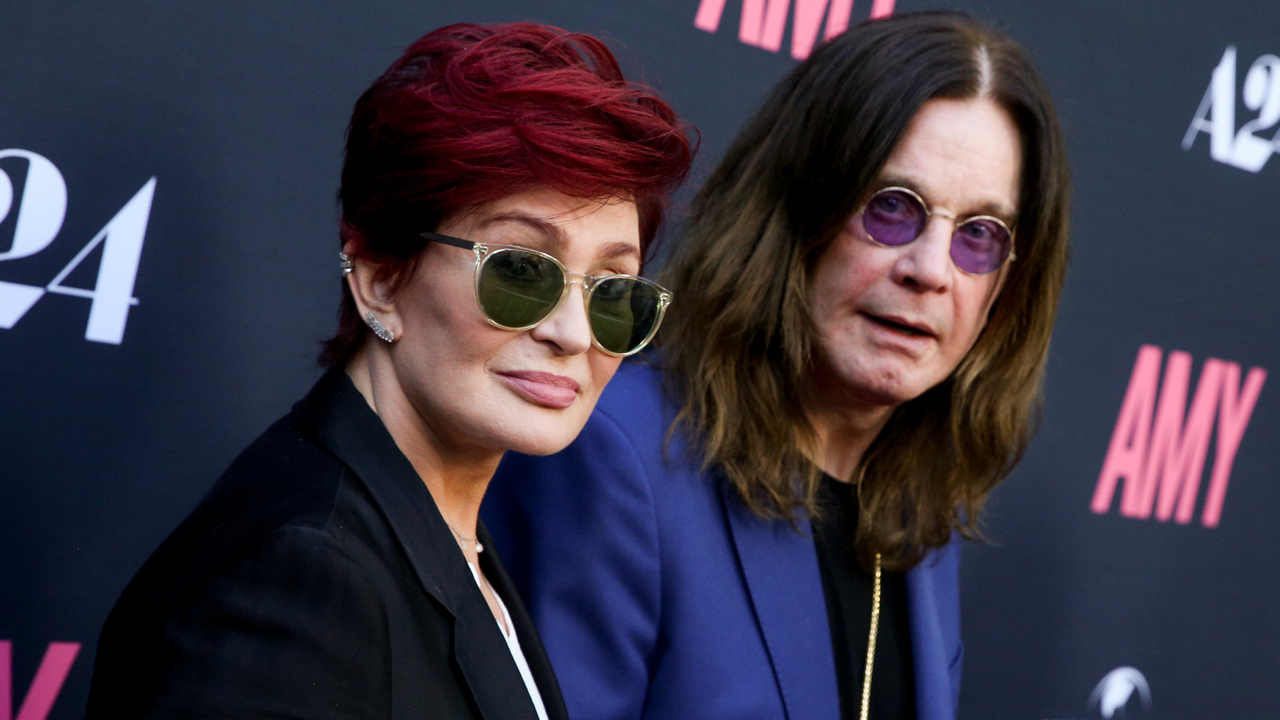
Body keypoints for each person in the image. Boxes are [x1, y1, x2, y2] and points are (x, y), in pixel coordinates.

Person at [85, 22, 692, 720]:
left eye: (615, 291)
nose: (573, 333)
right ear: (379, 278)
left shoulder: (445, 536)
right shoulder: (305, 575)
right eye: (521, 271)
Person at [482, 11, 1069, 720]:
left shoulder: (920, 516)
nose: (930, 270)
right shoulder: (613, 452)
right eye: (892, 208)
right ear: (794, 211)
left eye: (979, 235)